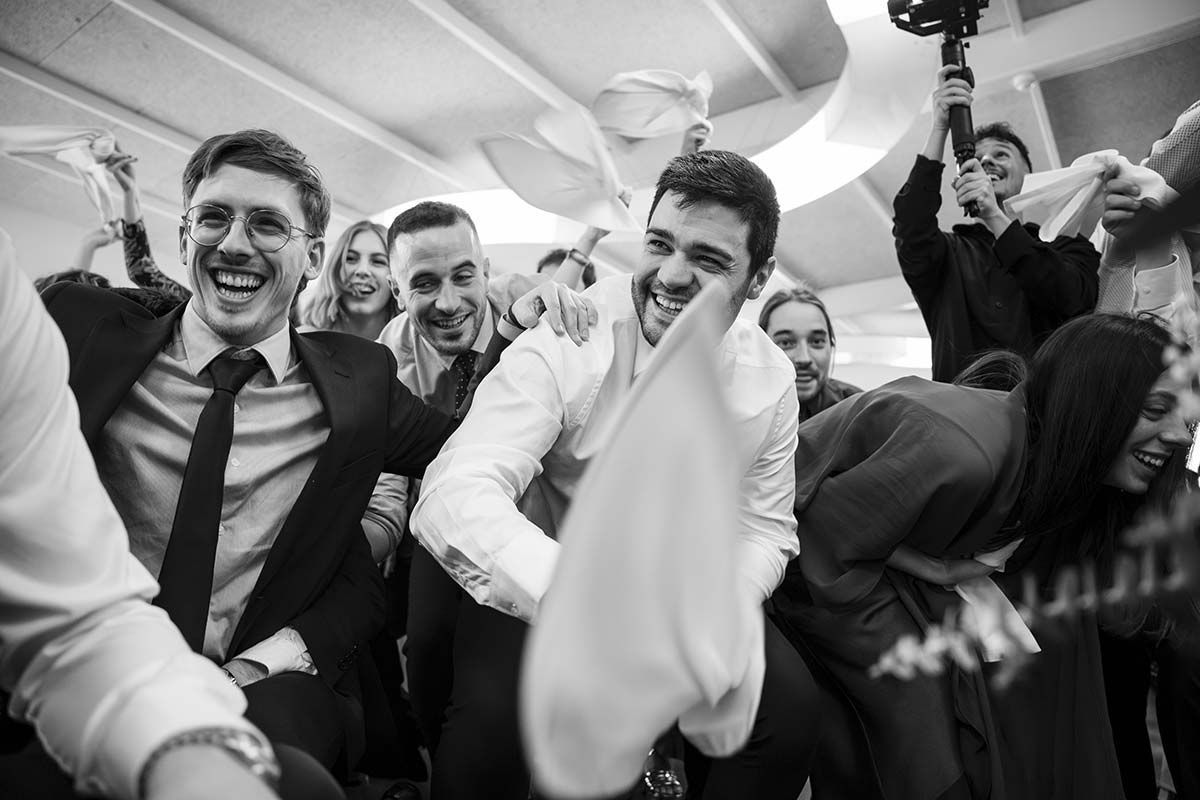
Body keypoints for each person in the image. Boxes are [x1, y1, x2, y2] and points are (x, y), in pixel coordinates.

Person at [410, 150, 821, 800]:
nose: (672, 274)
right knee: (487, 744)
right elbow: (453, 491)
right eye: (659, 243)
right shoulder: (569, 335)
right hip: (539, 577)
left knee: (789, 715)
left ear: (760, 276)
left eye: (709, 260)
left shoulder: (771, 381)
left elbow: (764, 529)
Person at [770, 313, 1192, 799]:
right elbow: (814, 537)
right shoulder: (964, 452)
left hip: (881, 569)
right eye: (1157, 409)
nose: (1181, 434)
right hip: (803, 580)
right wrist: (932, 570)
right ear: (1092, 405)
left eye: (1187, 416)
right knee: (937, 749)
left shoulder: (1057, 474)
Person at [0, 228, 351, 800]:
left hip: (189, 665)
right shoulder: (84, 326)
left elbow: (70, 615)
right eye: (214, 218)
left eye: (265, 224)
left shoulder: (360, 379)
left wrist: (190, 754)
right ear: (185, 241)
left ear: (313, 256)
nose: (236, 244)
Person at [372, 200, 594, 765]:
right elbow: (392, 487)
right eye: (423, 283)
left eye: (463, 276)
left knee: (492, 703)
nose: (448, 302)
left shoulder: (534, 310)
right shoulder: (384, 365)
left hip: (530, 520)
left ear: (487, 271)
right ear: (396, 293)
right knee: (425, 668)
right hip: (436, 527)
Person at [893, 63, 1100, 382]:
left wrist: (993, 214)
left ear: (1027, 176)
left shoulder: (1066, 246)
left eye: (1002, 154)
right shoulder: (947, 254)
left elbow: (1072, 299)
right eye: (979, 155)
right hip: (963, 420)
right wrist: (940, 128)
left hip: (1045, 420)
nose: (987, 159)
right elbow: (910, 224)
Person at [758, 287, 861, 421]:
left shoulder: (857, 410)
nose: (804, 358)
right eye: (786, 343)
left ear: (831, 345)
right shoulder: (734, 410)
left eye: (817, 341)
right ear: (760, 348)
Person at [298, 220, 399, 340]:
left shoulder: (415, 348)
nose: (362, 270)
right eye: (350, 259)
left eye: (378, 261)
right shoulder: (301, 341)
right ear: (334, 269)